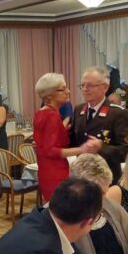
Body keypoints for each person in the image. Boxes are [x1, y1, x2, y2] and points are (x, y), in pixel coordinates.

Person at [34, 73, 101, 201]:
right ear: (49, 95)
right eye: (63, 89)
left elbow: (44, 143)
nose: (68, 91)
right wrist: (83, 149)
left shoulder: (41, 113)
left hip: (45, 171)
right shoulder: (52, 116)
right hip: (55, 172)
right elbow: (51, 150)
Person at [69, 66, 128, 183]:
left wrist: (101, 147)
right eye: (82, 85)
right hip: (81, 176)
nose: (85, 89)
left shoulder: (118, 113)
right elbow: (73, 141)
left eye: (90, 85)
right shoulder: (79, 110)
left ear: (105, 87)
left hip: (106, 179)